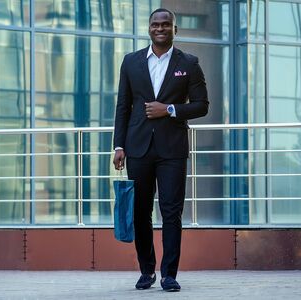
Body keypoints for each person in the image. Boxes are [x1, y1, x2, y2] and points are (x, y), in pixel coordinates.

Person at [112, 8, 209, 292]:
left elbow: (202, 106)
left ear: (174, 30)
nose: (160, 28)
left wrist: (169, 109)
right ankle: (146, 271)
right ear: (149, 28)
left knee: (171, 212)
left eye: (166, 24)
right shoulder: (131, 62)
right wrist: (119, 145)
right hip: (138, 147)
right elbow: (123, 107)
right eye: (156, 24)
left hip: (172, 150)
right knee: (140, 212)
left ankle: (169, 274)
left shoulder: (189, 63)